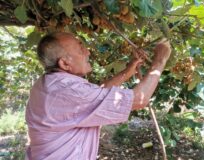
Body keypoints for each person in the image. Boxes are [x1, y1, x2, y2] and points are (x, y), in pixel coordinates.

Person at [25, 32, 172, 160]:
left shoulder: (50, 84)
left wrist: (130, 68)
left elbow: (99, 94)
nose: (88, 52)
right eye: (80, 49)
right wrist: (160, 60)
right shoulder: (68, 90)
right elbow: (139, 99)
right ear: (64, 63)